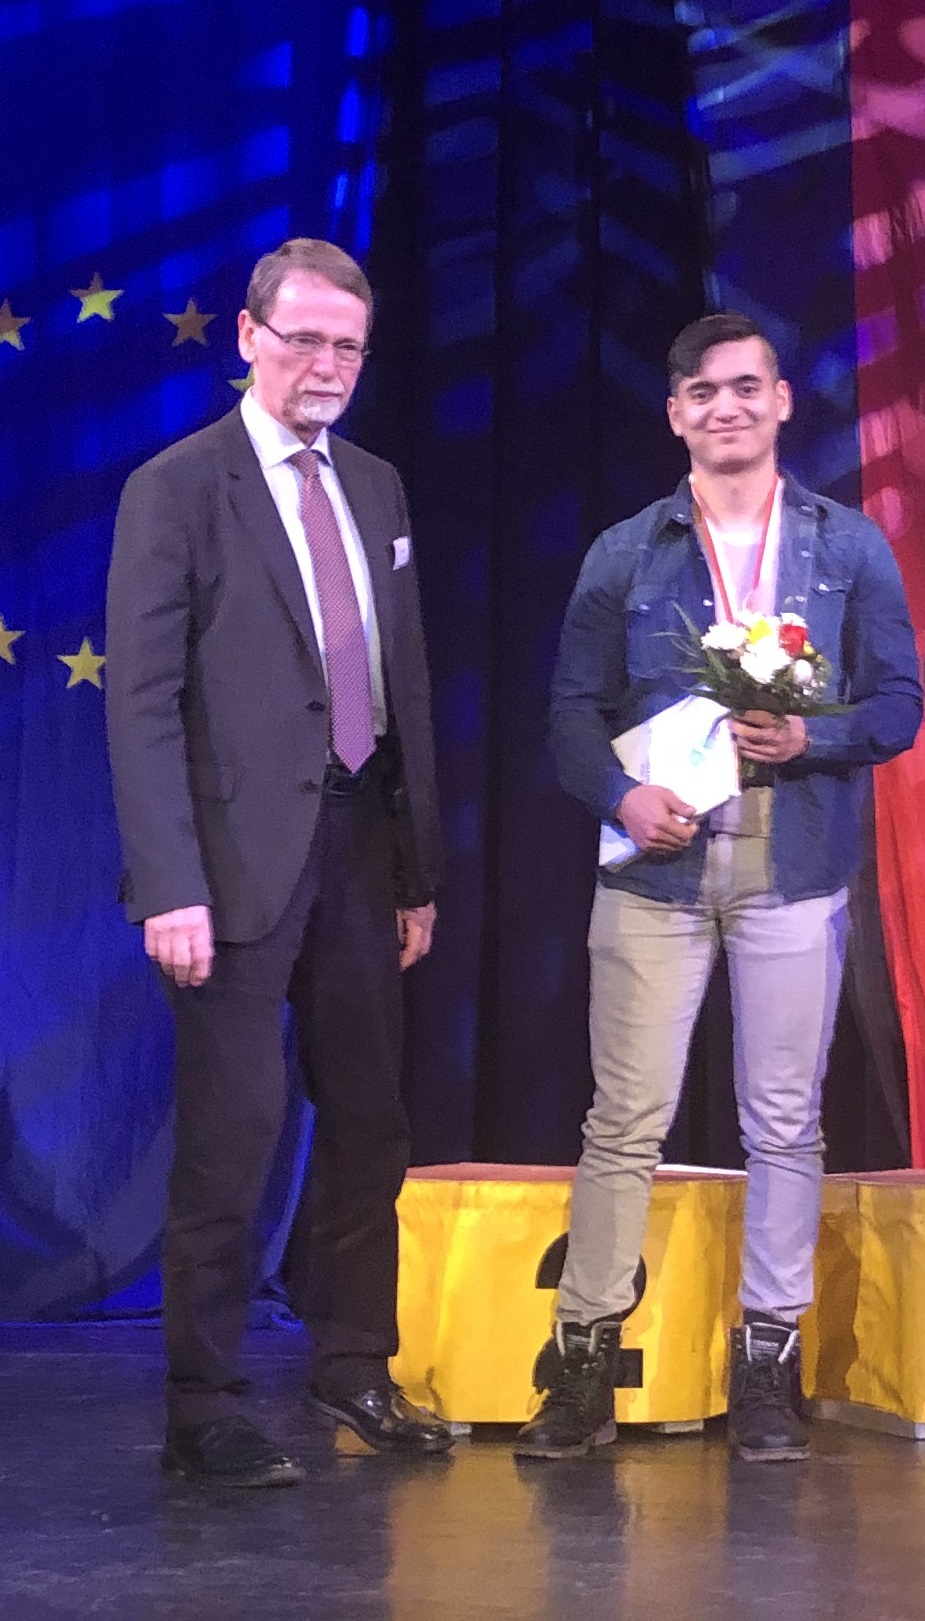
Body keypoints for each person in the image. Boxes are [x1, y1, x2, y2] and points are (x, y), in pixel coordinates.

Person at [515, 312, 922, 1464]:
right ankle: (582, 1365)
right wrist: (619, 794)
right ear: (675, 413)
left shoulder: (847, 546)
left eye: (746, 386)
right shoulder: (626, 552)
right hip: (656, 870)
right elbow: (569, 714)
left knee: (783, 1122)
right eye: (703, 391)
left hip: (793, 868)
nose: (726, 406)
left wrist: (808, 736)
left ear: (781, 400)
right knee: (622, 1120)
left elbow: (899, 702)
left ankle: (766, 1364)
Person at [106, 238, 452, 1486]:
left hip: (362, 848)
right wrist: (170, 883)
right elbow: (141, 702)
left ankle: (354, 1361)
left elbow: (400, 683)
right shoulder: (177, 486)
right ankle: (202, 1403)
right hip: (231, 865)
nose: (327, 365)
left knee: (370, 1117)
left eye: (347, 345)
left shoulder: (376, 485)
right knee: (234, 1131)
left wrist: (415, 867)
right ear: (249, 338)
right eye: (303, 338)